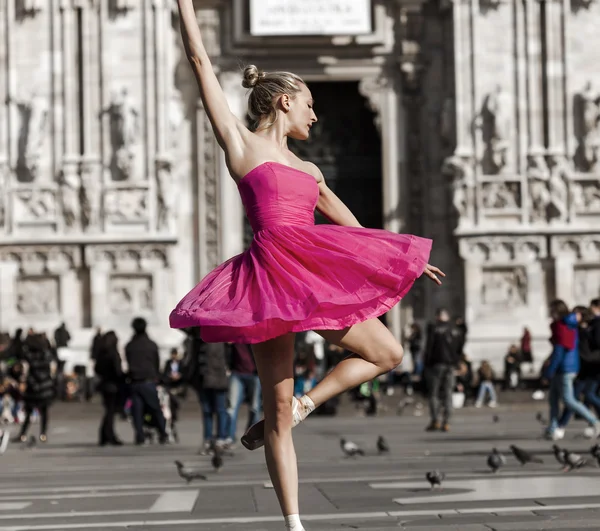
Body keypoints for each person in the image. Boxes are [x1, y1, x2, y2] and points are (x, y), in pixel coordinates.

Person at [169, 2, 444, 529]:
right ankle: (294, 521)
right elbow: (202, 61)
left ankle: (306, 403)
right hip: (269, 282)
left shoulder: (312, 170)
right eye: (310, 105)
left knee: (388, 351)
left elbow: (355, 229)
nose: (317, 115)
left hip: (314, 277)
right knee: (272, 414)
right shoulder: (241, 145)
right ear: (286, 102)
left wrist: (406, 260)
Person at [544, 300, 600, 440]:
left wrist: (550, 370)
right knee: (554, 399)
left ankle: (594, 421)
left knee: (569, 399)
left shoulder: (563, 326)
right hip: (567, 367)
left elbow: (560, 350)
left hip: (566, 367)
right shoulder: (567, 325)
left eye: (551, 309)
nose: (549, 313)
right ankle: (553, 428)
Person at [125, 317, 168, 445]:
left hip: (134, 381)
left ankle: (140, 436)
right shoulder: (151, 344)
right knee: (155, 408)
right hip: (148, 381)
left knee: (137, 411)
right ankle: (163, 433)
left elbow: (128, 361)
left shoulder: (130, 346)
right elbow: (156, 362)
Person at [422, 309, 461, 432]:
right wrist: (457, 363)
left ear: (437, 316)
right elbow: (459, 348)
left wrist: (426, 364)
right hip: (450, 365)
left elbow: (429, 347)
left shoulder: (433, 328)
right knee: (448, 393)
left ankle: (435, 420)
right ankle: (447, 422)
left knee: (434, 394)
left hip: (436, 365)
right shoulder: (454, 330)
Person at [16, 334, 55, 443]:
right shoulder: (46, 355)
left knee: (29, 412)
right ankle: (43, 434)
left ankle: (23, 434)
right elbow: (52, 370)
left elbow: (25, 371)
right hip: (45, 387)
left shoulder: (28, 355)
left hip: (32, 387)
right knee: (44, 412)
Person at [225, 342, 262, 448]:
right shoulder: (233, 333)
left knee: (255, 407)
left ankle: (251, 436)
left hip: (254, 373)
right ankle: (229, 436)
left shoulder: (253, 331)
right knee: (231, 407)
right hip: (237, 373)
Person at [94, 331, 125, 446]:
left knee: (108, 411)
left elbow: (97, 369)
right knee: (111, 412)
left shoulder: (101, 353)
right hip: (113, 385)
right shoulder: (113, 354)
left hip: (104, 384)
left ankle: (105, 435)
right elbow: (118, 371)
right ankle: (108, 435)